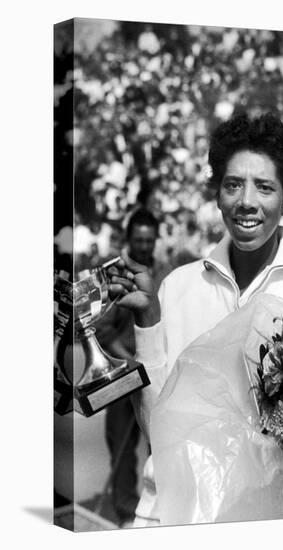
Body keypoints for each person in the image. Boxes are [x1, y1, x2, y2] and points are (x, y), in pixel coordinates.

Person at [108, 112, 283, 526]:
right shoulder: (178, 288)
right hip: (174, 515)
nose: (246, 201)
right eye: (233, 184)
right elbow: (158, 430)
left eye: (264, 187)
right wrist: (148, 321)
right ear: (217, 194)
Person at [95, 207, 170, 527]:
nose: (143, 246)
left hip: (157, 373)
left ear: (155, 240)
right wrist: (129, 361)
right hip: (123, 370)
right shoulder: (117, 274)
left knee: (162, 442)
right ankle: (127, 513)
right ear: (129, 240)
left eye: (148, 240)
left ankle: (163, 509)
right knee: (122, 447)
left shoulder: (166, 275)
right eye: (138, 240)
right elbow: (103, 329)